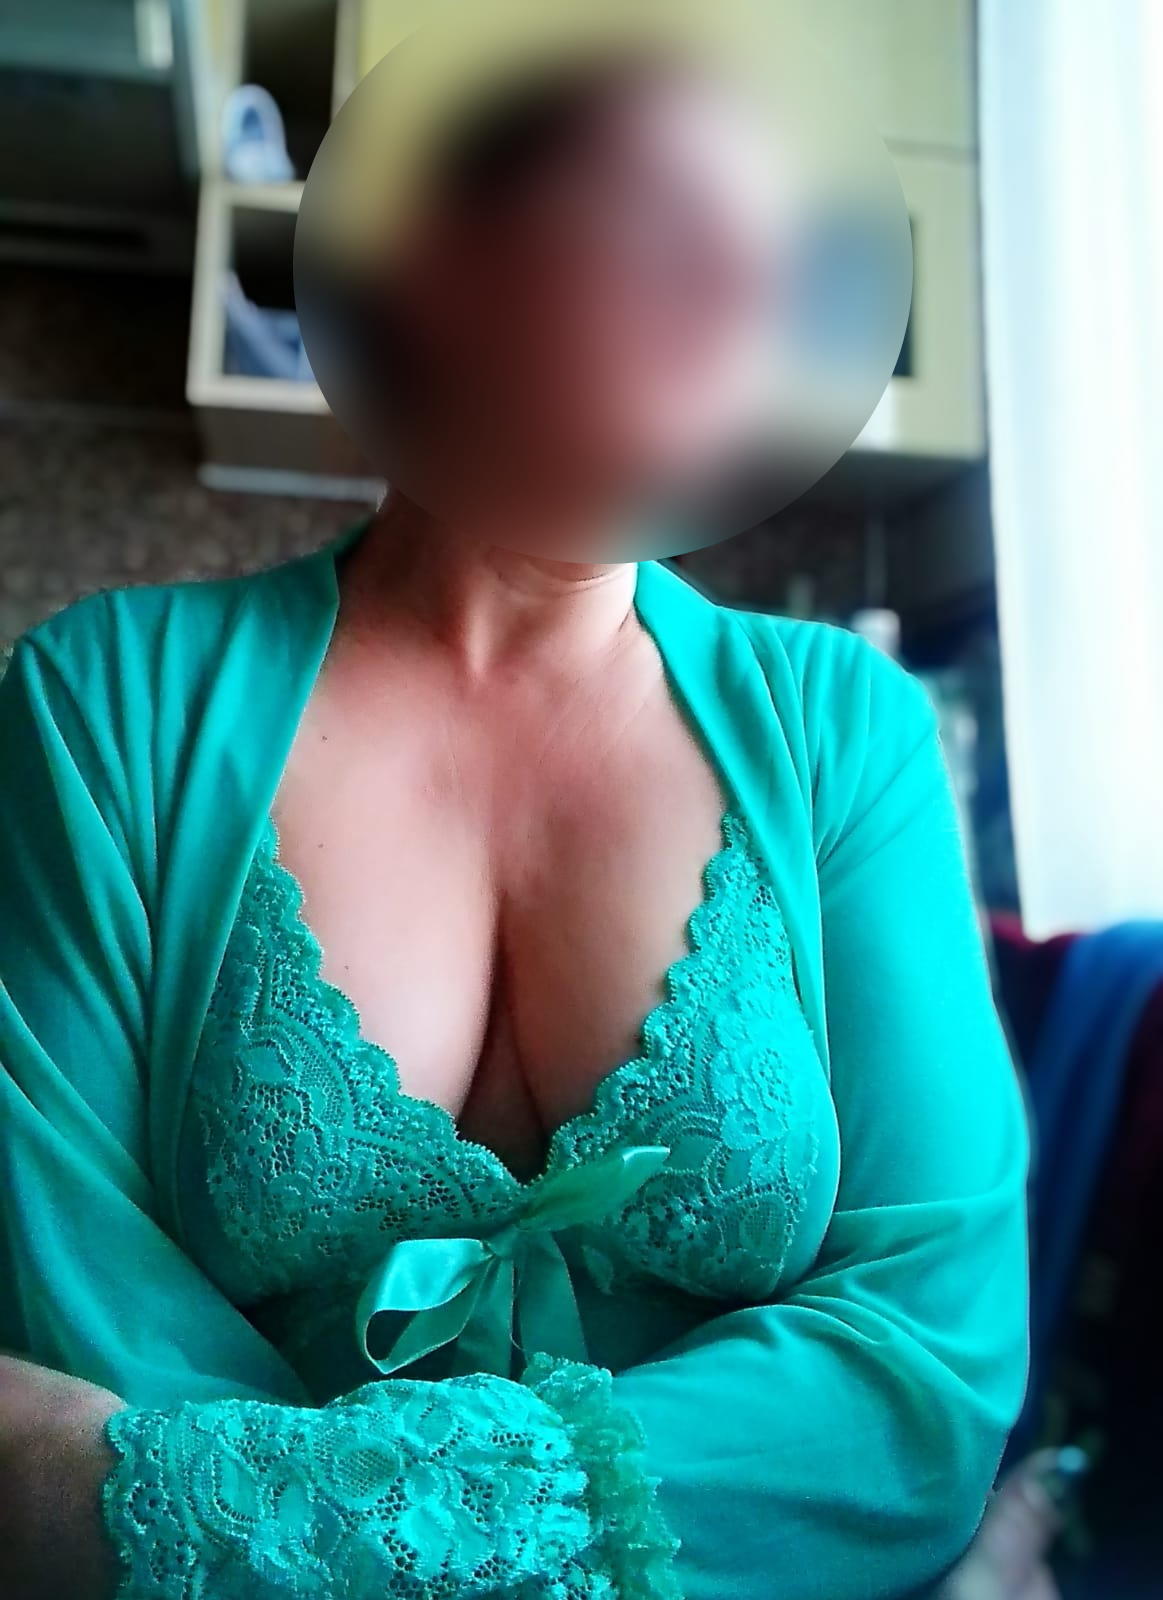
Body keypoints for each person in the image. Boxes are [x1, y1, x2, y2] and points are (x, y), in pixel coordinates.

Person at [0, 44, 1028, 1600]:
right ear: (440, 266)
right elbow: (64, 1302)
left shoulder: (846, 729)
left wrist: (338, 1519)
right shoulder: (107, 701)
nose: (743, 295)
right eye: (668, 225)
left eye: (780, 262)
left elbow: (924, 1367)